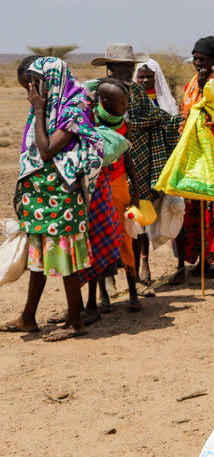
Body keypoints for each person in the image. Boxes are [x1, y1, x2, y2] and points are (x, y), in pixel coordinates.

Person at [5, 57, 104, 341]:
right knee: (39, 260)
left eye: (36, 84)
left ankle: (75, 323)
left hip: (61, 199)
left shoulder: (72, 111)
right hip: (40, 199)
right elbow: (31, 156)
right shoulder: (48, 109)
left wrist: (38, 110)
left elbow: (46, 150)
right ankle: (28, 317)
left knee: (65, 260)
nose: (32, 92)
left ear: (53, 80)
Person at [95, 45, 183, 287]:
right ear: (110, 67)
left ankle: (137, 270)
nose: (127, 70)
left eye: (130, 66)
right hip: (107, 168)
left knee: (136, 218)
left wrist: (184, 120)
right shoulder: (97, 91)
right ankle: (109, 278)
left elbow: (159, 119)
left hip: (138, 162)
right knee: (107, 222)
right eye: (121, 65)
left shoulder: (136, 91)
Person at [171, 36, 214, 283]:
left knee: (213, 204)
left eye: (203, 59)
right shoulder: (190, 85)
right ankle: (198, 259)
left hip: (212, 151)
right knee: (192, 206)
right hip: (192, 152)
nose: (198, 63)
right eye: (195, 59)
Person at [82, 79, 143, 317]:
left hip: (118, 185)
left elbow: (127, 157)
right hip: (96, 186)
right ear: (105, 103)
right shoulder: (89, 121)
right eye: (122, 101)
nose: (126, 105)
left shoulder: (122, 123)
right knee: (97, 239)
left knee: (127, 237)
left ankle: (132, 291)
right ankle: (102, 296)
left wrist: (136, 192)